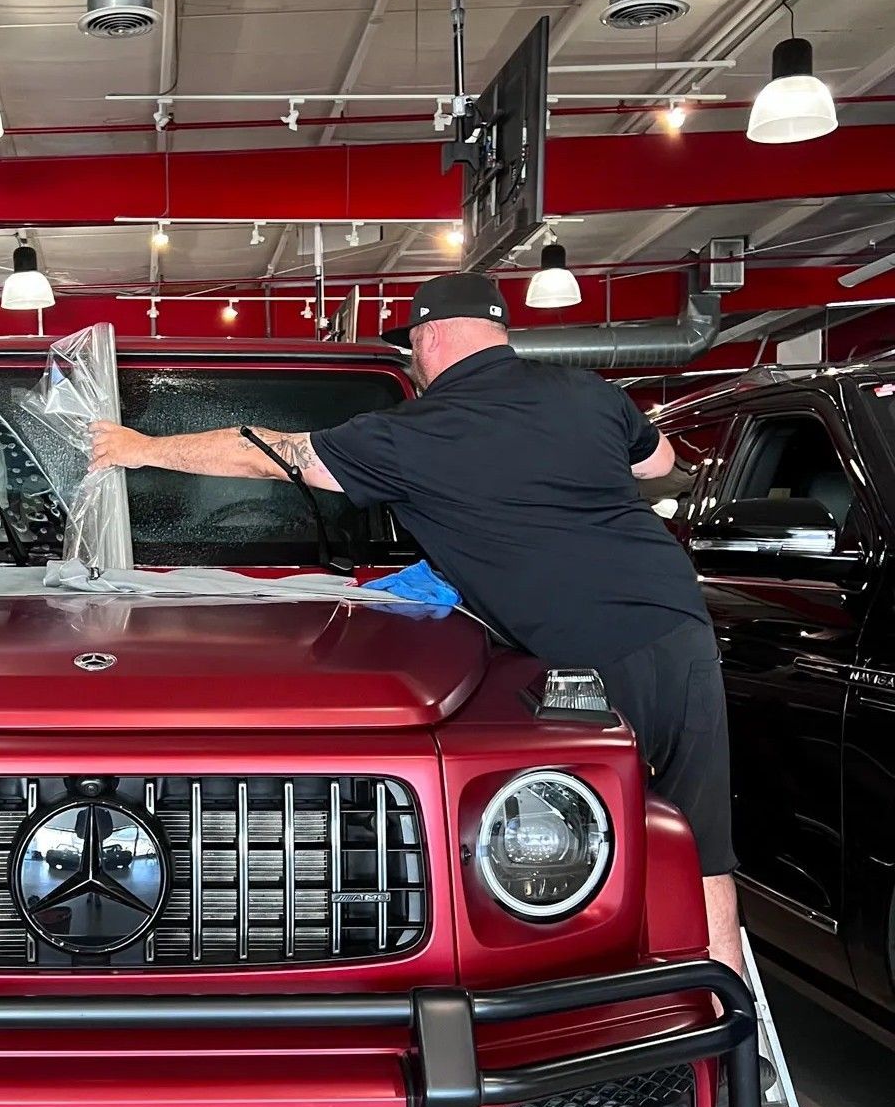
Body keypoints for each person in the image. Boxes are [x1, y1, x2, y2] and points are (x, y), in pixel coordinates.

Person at [88, 272, 742, 974]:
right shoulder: (591, 393)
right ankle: (740, 1037)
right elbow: (660, 463)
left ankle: (609, 1017)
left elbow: (265, 453)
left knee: (571, 856)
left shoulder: (413, 433)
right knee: (701, 846)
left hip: (575, 662)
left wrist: (140, 448)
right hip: (680, 628)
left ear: (428, 339)